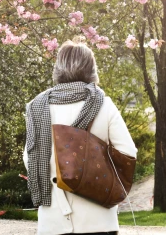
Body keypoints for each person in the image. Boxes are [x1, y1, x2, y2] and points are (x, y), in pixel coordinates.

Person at [24, 40, 137, 235]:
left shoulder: (36, 106)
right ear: (91, 69)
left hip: (52, 222)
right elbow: (128, 152)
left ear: (58, 68)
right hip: (99, 219)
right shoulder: (103, 103)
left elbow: (30, 158)